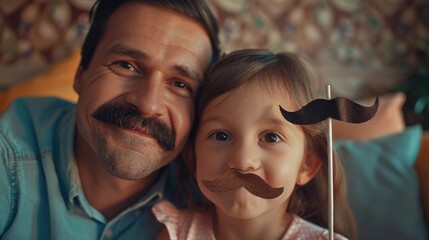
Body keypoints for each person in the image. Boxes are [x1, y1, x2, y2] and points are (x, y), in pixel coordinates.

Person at [0, 0, 220, 239]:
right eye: (126, 65)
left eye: (180, 85)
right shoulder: (8, 154)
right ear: (81, 74)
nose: (148, 105)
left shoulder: (215, 195)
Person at [152, 49, 356, 239]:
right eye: (221, 136)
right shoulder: (177, 234)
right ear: (192, 158)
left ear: (307, 166)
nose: (243, 161)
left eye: (271, 137)